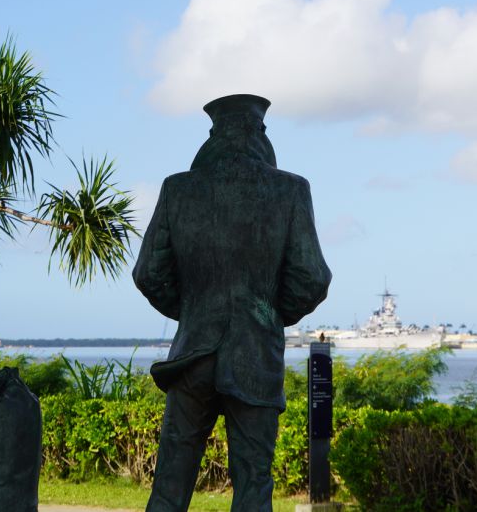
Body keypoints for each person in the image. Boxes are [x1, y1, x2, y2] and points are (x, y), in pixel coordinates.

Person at [133, 94, 331, 512]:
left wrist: (190, 309)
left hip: (191, 355)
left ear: (214, 136)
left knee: (171, 479)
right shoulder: (290, 190)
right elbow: (312, 277)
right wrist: (270, 311)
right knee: (254, 481)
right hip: (254, 355)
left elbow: (148, 273)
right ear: (258, 133)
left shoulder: (177, 189)